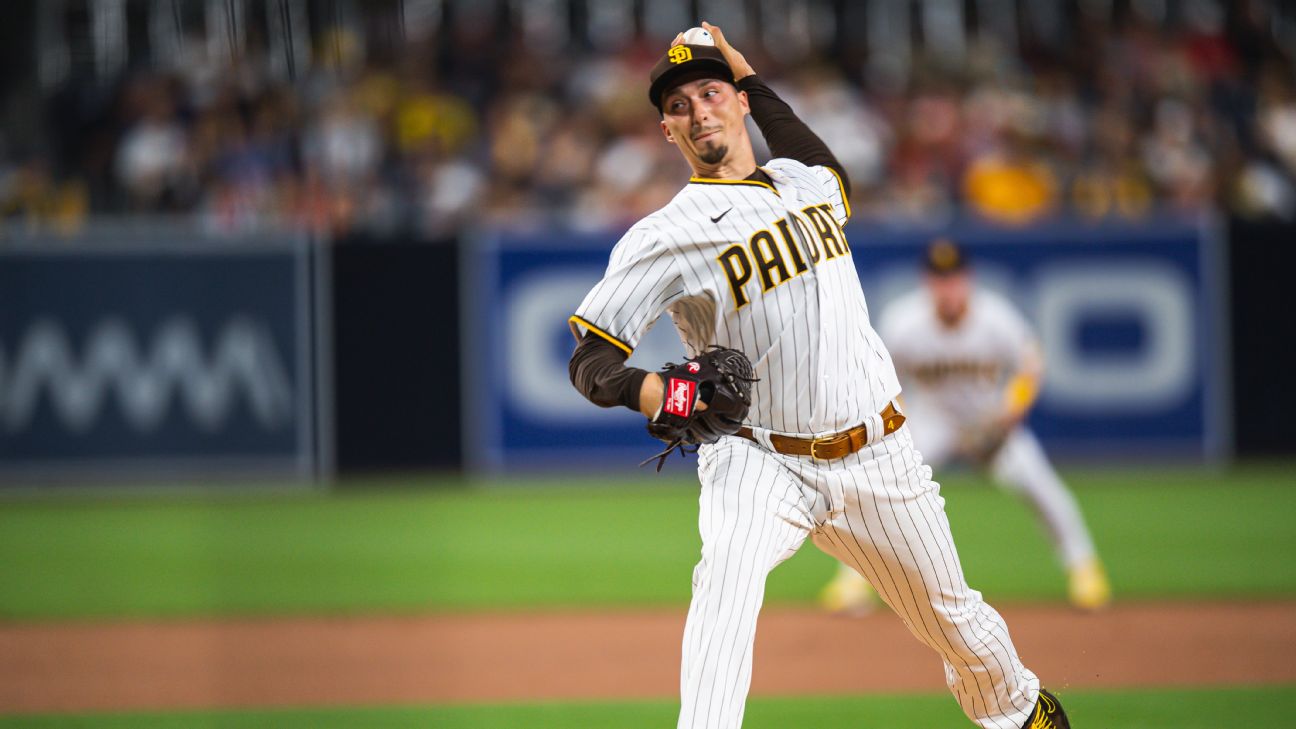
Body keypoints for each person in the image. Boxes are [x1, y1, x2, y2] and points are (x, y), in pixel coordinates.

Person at [567, 23, 1072, 729]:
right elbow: (590, 361)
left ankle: (1020, 712)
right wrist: (665, 393)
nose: (698, 111)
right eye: (679, 105)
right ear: (666, 130)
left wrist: (746, 72)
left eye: (710, 92)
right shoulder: (663, 234)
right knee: (724, 588)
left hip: (880, 454)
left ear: (740, 102)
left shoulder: (807, 183)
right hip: (759, 456)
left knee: (959, 624)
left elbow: (818, 155)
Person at [820, 239, 1111, 616]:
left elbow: (1030, 363)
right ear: (927, 283)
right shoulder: (903, 321)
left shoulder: (995, 318)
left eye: (954, 278)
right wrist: (901, 425)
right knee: (878, 491)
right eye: (940, 279)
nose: (948, 287)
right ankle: (853, 581)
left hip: (987, 419)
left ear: (967, 279)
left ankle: (1084, 569)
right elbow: (882, 381)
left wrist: (1011, 408)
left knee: (1041, 486)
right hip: (933, 421)